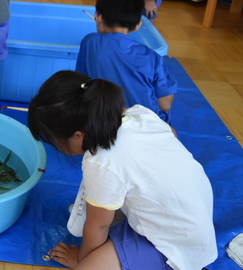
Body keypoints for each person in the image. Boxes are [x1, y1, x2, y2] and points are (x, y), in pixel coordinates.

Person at [28, 70, 217, 270]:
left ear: (78, 135)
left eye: (55, 141)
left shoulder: (102, 161)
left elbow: (98, 225)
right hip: (192, 219)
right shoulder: (139, 113)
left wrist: (80, 260)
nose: (56, 147)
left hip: (173, 245)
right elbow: (172, 133)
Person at [76, 0, 176, 124]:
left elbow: (80, 83)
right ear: (138, 25)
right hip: (146, 125)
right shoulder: (152, 57)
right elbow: (165, 104)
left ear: (98, 17)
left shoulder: (89, 42)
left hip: (102, 124)